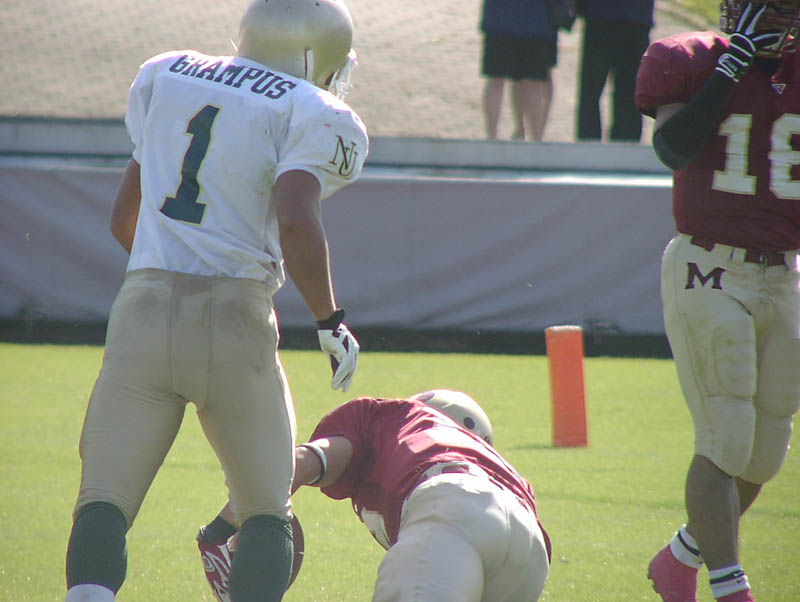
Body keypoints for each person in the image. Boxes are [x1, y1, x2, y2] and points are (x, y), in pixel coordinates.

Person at [62, 0, 367, 600]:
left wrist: (165, 276)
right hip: (235, 320)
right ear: (313, 55)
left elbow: (124, 218)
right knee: (265, 513)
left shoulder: (166, 74)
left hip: (143, 309)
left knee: (103, 501)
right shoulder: (313, 110)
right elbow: (296, 220)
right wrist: (329, 320)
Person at [634, 2, 800, 601]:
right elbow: (673, 149)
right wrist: (731, 69)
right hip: (710, 266)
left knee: (765, 453)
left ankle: (681, 557)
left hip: (784, 271)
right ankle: (731, 588)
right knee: (725, 439)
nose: (773, 16)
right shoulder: (691, 60)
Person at [197, 389, 552, 602]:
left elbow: (300, 464)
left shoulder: (392, 417)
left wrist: (224, 526)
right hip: (531, 551)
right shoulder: (497, 464)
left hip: (452, 503)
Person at [479, 0, 559, 141]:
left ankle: (491, 138)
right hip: (536, 21)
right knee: (533, 85)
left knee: (496, 81)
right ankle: (537, 139)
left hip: (500, 18)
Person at [576, 0, 654, 141]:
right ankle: (594, 143)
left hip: (610, 15)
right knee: (596, 88)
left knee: (597, 88)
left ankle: (599, 143)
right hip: (619, 16)